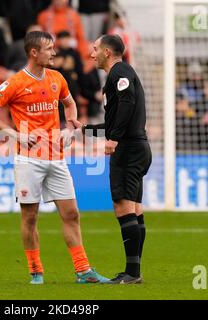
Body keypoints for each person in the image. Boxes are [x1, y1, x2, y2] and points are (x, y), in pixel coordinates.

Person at [0, 31, 110, 285]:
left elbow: (70, 104)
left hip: (56, 157)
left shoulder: (57, 78)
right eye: (48, 49)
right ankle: (35, 271)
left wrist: (71, 128)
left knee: (71, 213)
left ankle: (83, 271)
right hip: (28, 160)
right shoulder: (15, 83)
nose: (53, 52)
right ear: (33, 53)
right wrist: (14, 135)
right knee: (30, 217)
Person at [79, 35, 152, 284]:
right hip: (138, 146)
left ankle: (132, 274)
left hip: (129, 149)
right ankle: (134, 271)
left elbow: (128, 101)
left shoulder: (119, 72)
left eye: (95, 49)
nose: (92, 54)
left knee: (123, 207)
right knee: (134, 208)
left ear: (108, 52)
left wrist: (114, 140)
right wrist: (86, 130)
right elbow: (115, 121)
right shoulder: (121, 73)